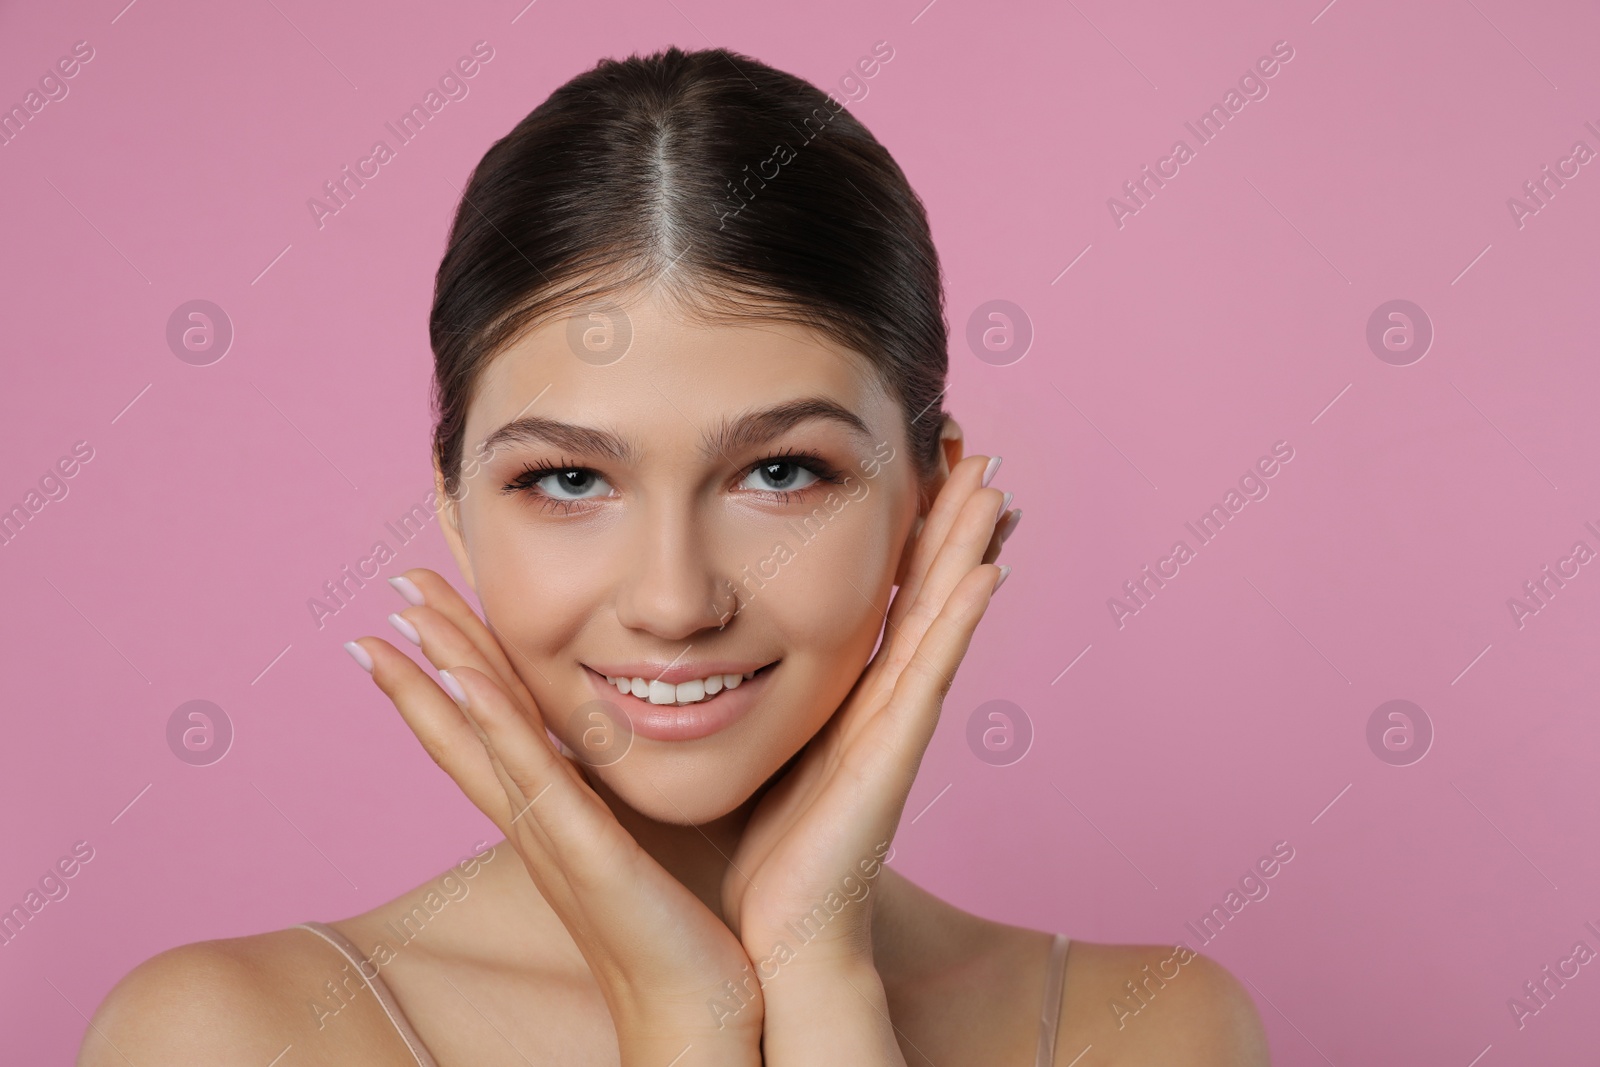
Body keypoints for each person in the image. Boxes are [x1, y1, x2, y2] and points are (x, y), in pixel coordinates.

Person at [79, 45, 1269, 1066]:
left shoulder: (1143, 1028)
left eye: (780, 472)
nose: (673, 600)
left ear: (929, 495)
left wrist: (822, 985)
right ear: (453, 509)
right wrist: (681, 1021)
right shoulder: (234, 1034)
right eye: (567, 479)